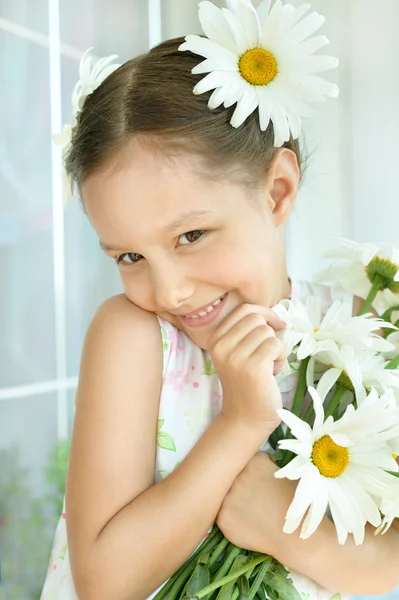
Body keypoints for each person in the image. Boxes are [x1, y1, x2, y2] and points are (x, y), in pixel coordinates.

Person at [41, 1, 399, 599]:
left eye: (191, 236)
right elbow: (105, 583)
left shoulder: (359, 333)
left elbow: (387, 561)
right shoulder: (136, 339)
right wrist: (239, 424)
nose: (170, 291)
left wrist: (287, 527)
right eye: (129, 257)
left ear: (278, 191)